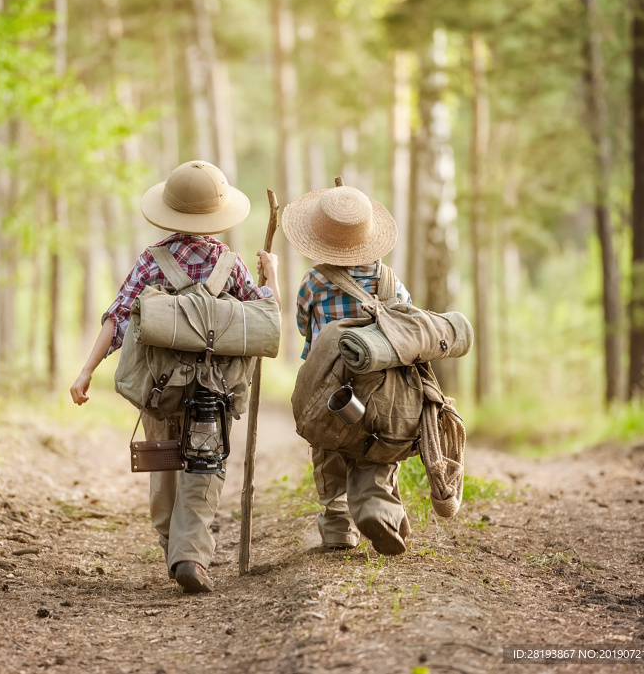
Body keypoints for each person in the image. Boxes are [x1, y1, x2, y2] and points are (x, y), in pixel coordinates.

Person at [70, 160, 280, 593]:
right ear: (216, 217)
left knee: (164, 463)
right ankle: (190, 555)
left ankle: (171, 541)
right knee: (204, 468)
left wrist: (87, 370)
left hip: (158, 388)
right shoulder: (232, 265)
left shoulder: (152, 260)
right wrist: (271, 276)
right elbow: (264, 320)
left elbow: (117, 318)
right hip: (213, 390)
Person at [281, 184, 413, 554]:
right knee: (379, 445)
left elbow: (304, 328)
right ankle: (376, 507)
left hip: (331, 384)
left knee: (329, 446)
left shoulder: (314, 282)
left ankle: (338, 524)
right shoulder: (391, 282)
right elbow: (405, 322)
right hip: (384, 384)